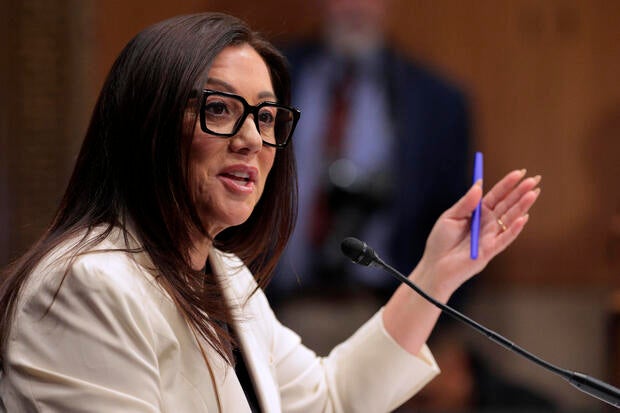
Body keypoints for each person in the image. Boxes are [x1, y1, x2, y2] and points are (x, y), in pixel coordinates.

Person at [0, 12, 540, 412]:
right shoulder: (85, 284)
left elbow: (334, 400)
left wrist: (436, 274)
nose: (252, 140)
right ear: (148, 126)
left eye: (265, 116)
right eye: (218, 109)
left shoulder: (225, 276)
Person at [269, 0, 471, 308]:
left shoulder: (437, 102)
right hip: (271, 308)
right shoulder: (269, 75)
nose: (355, 6)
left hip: (387, 309)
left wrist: (441, 328)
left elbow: (458, 223)